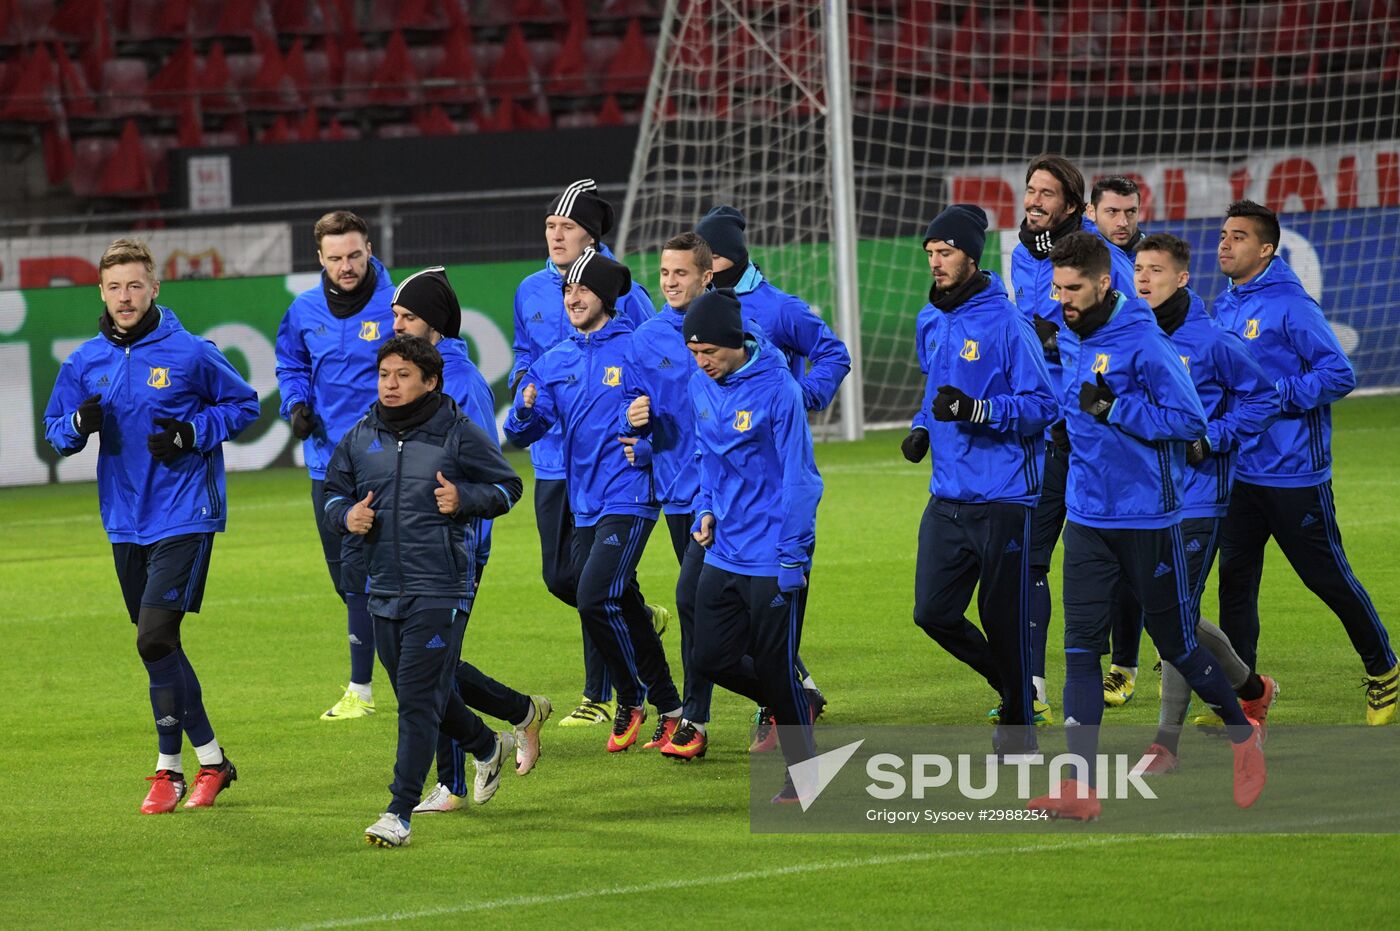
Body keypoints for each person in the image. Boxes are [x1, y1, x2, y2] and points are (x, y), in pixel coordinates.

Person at [1026, 233, 1264, 820]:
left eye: (1073, 288)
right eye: (1057, 289)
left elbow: (1188, 421)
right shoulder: (1072, 335)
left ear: (1105, 284)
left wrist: (1116, 410)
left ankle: (1243, 734)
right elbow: (1076, 403)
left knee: (1178, 644)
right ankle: (1079, 787)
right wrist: (1064, 415)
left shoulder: (1144, 343)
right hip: (1086, 517)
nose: (1063, 300)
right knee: (1080, 650)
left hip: (1147, 517)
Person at [43, 238, 259, 814]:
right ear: (102, 293)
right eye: (114, 287)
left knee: (154, 636)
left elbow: (244, 405)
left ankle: (168, 771)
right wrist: (76, 424)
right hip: (124, 519)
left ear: (155, 288)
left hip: (186, 512)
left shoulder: (190, 352)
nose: (125, 296)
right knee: (159, 647)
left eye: (135, 285)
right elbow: (55, 431)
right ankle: (212, 761)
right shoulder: (84, 360)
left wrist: (191, 433)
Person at [323, 335, 524, 848]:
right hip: (382, 586)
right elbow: (330, 494)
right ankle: (487, 745)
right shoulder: (360, 436)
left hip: (441, 585)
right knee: (425, 692)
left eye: (403, 376)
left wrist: (464, 499)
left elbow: (508, 488)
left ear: (430, 381)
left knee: (415, 699)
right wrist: (347, 515)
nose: (390, 385)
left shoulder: (457, 433)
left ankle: (398, 812)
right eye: (385, 375)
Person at [1212, 200, 1396, 724]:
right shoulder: (1223, 305)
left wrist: (1278, 394)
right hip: (1241, 471)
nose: (1225, 243)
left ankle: (1384, 667)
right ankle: (1245, 696)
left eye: (1239, 236)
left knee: (1327, 577)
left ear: (1266, 249)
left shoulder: (1292, 306)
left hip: (1293, 472)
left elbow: (1340, 374)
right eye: (1224, 234)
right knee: (1236, 582)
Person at [387, 269, 552, 812]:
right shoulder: (409, 375)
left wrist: (467, 537)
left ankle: (455, 782)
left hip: (455, 549)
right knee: (429, 663)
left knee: (427, 667)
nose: (398, 326)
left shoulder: (463, 385)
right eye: (395, 317)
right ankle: (523, 714)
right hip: (409, 547)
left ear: (434, 324)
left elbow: (490, 476)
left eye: (407, 317)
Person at [506, 248, 684, 753]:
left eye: (582, 289)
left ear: (605, 296)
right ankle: (671, 708)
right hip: (583, 500)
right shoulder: (555, 360)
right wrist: (523, 414)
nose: (572, 297)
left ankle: (629, 697)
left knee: (592, 595)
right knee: (618, 600)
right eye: (567, 290)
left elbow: (673, 415)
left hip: (631, 494)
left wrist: (648, 436)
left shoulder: (637, 349)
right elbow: (524, 432)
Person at [1124, 233, 1281, 771]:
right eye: (1139, 269)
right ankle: (1253, 688)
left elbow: (1264, 397)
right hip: (1146, 498)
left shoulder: (1212, 340)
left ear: (1183, 278)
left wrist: (1211, 437)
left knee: (1172, 618)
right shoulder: (1130, 336)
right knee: (1168, 615)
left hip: (1197, 497)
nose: (1143, 279)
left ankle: (1165, 744)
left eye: (1156, 271)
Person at [903, 206, 1056, 747]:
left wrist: (978, 412)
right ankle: (1014, 689)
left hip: (1004, 495)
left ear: (971, 255)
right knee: (933, 612)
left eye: (945, 253)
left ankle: (1019, 730)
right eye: (930, 255)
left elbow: (1044, 405)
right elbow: (937, 390)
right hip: (946, 495)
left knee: (1002, 618)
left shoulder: (1009, 324)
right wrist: (923, 426)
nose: (936, 264)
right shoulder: (932, 318)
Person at [694, 204, 846, 737]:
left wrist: (805, 397)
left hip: (776, 488)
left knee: (769, 635)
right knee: (710, 639)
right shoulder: (701, 321)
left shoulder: (779, 309)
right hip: (727, 505)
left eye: (706, 257)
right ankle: (780, 699)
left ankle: (779, 717)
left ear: (725, 257)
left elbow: (834, 353)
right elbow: (705, 438)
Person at [684, 288, 824, 803]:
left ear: (735, 343)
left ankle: (805, 772)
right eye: (694, 354)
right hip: (724, 548)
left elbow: (801, 479)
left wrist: (793, 553)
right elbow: (707, 458)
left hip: (772, 552)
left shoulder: (779, 390)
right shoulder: (701, 385)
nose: (702, 363)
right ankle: (796, 702)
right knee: (711, 657)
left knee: (771, 664)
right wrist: (704, 508)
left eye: (710, 353)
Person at [274, 210, 395, 721]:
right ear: (319, 259)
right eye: (335, 258)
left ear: (369, 248)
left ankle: (362, 689)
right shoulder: (302, 311)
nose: (346, 266)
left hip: (385, 462)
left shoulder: (397, 305)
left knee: (372, 579)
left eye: (354, 254)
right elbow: (291, 363)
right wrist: (296, 404)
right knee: (346, 581)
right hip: (327, 464)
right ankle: (391, 678)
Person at [618, 232, 718, 759]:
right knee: (713, 609)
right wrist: (635, 424)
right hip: (679, 495)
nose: (671, 282)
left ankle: (694, 720)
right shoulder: (648, 337)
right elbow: (632, 405)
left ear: (706, 276)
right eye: (664, 274)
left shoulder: (733, 328)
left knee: (694, 602)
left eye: (681, 273)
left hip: (726, 493)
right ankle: (794, 690)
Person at [1007, 153, 1091, 721]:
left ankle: (1162, 664)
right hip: (1046, 433)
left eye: (1046, 193)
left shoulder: (1094, 257)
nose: (1034, 200)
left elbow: (1120, 337)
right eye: (1031, 190)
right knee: (1031, 558)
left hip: (1093, 433)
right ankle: (1032, 682)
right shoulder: (1020, 254)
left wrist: (1058, 341)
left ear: (1071, 207)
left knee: (1118, 565)